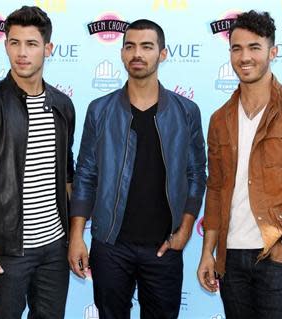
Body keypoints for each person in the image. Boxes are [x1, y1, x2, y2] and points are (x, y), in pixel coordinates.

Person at [197, 10, 282, 319]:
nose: (244, 57)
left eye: (254, 47)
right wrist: (208, 252)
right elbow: (216, 188)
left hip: (279, 254)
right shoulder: (220, 118)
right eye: (236, 48)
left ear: (272, 52)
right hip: (230, 259)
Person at [68, 19, 206, 319]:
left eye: (147, 46)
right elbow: (85, 175)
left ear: (163, 54)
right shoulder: (100, 110)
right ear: (121, 53)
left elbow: (197, 174)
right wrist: (77, 236)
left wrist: (184, 230)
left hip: (165, 246)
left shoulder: (186, 112)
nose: (137, 54)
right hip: (109, 245)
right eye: (130, 46)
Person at [0, 6, 75, 318]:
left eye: (31, 44)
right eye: (14, 42)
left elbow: (67, 174)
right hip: (6, 252)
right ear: (5, 44)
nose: (22, 53)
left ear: (48, 49)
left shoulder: (62, 105)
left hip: (55, 249)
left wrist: (73, 237)